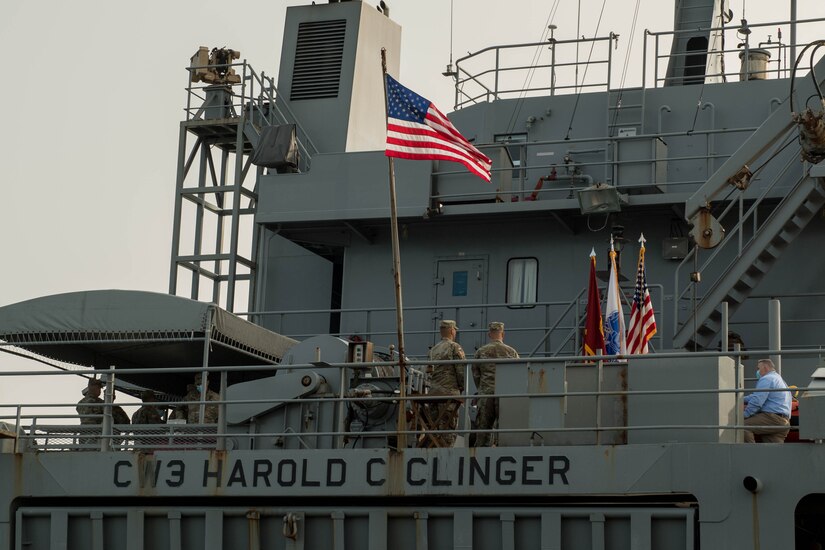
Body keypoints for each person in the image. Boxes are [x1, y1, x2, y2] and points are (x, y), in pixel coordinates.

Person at [472, 322, 519, 447]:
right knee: (503, 425)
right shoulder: (511, 352)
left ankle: (481, 453)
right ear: (503, 334)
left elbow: (476, 375)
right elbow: (518, 374)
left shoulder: (481, 352)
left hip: (486, 393)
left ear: (489, 334)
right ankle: (501, 449)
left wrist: (482, 389)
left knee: (484, 427)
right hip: (504, 394)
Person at [426, 320, 466, 446]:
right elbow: (461, 370)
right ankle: (447, 454)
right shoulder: (454, 347)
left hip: (433, 394)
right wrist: (462, 387)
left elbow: (429, 372)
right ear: (452, 331)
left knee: (435, 426)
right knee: (449, 426)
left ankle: (435, 451)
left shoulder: (433, 350)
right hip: (449, 392)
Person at [743, 358, 792, 443]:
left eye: (758, 368)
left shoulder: (766, 378)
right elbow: (756, 396)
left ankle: (750, 454)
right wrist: (741, 399)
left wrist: (745, 415)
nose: (757, 371)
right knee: (772, 452)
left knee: (742, 426)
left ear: (765, 368)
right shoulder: (779, 380)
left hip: (772, 418)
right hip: (784, 422)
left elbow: (757, 401)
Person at [76, 379, 105, 447]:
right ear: (91, 387)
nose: (99, 390)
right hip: (95, 434)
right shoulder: (98, 402)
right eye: (98, 387)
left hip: (84, 435)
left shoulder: (80, 402)